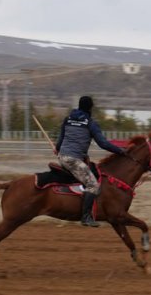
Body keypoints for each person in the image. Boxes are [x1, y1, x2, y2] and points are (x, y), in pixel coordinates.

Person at [54, 96, 126, 227]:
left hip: (63, 157)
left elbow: (60, 141)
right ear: (90, 108)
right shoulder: (90, 123)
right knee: (93, 185)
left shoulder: (68, 119)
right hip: (73, 160)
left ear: (79, 106)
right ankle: (86, 217)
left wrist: (57, 149)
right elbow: (103, 143)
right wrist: (120, 151)